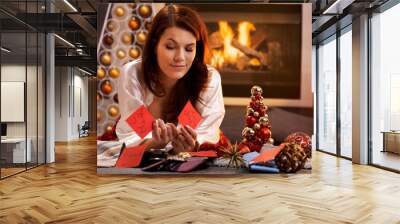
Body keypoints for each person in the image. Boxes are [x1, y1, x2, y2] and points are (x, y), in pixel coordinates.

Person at [116, 4, 225, 154]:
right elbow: (133, 135)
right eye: (170, 46)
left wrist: (192, 145)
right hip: (141, 151)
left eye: (189, 49)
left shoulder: (208, 78)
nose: (180, 58)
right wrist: (154, 143)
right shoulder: (133, 74)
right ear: (155, 45)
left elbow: (207, 131)